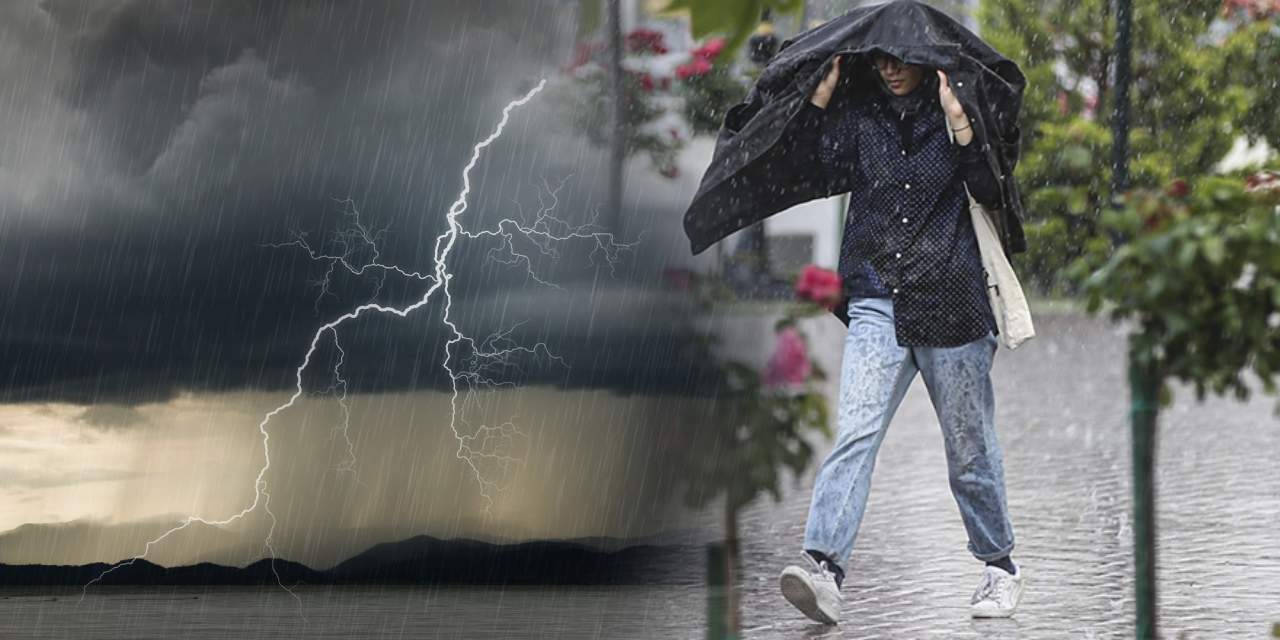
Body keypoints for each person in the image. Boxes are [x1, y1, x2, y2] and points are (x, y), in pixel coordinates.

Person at [775, 51, 1025, 625]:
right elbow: (810, 169)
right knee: (856, 432)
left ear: (926, 61)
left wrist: (959, 120)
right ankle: (823, 569)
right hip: (876, 299)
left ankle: (1000, 566)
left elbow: (991, 189)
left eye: (902, 61)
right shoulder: (860, 114)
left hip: (954, 302)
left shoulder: (957, 110)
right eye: (882, 60)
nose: (891, 70)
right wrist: (821, 95)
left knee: (969, 449)